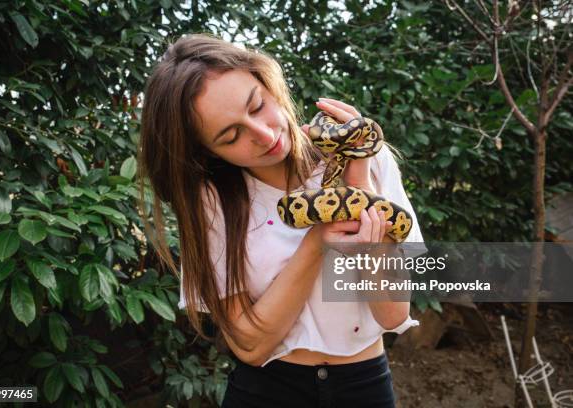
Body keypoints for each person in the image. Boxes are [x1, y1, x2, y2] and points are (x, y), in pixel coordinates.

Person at [138, 33, 426, 408]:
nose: (263, 134)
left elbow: (392, 314)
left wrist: (360, 182)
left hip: (364, 384)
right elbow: (250, 346)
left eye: (257, 106)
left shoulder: (369, 158)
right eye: (231, 136)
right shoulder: (212, 201)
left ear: (266, 82)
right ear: (205, 152)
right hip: (266, 389)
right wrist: (317, 241)